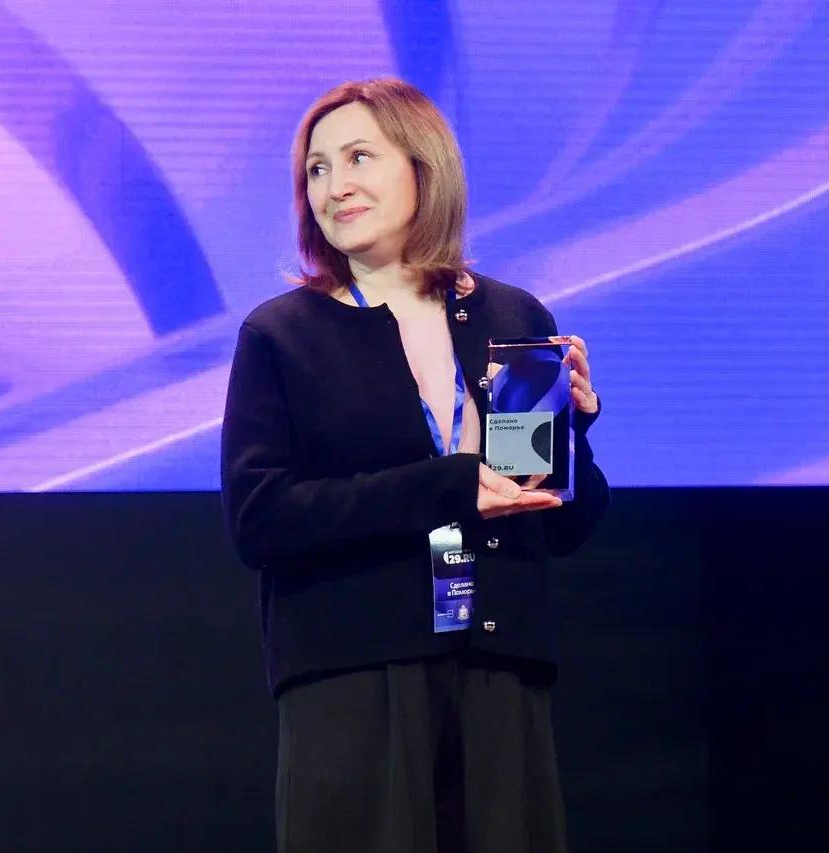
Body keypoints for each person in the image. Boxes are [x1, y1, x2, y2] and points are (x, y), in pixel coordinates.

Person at [220, 77, 610, 853]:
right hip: (353, 675)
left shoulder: (511, 315)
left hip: (497, 666)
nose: (334, 186)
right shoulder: (282, 334)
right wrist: (445, 487)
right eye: (317, 169)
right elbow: (259, 518)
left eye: (358, 157)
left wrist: (574, 433)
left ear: (422, 166)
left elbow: (566, 524)